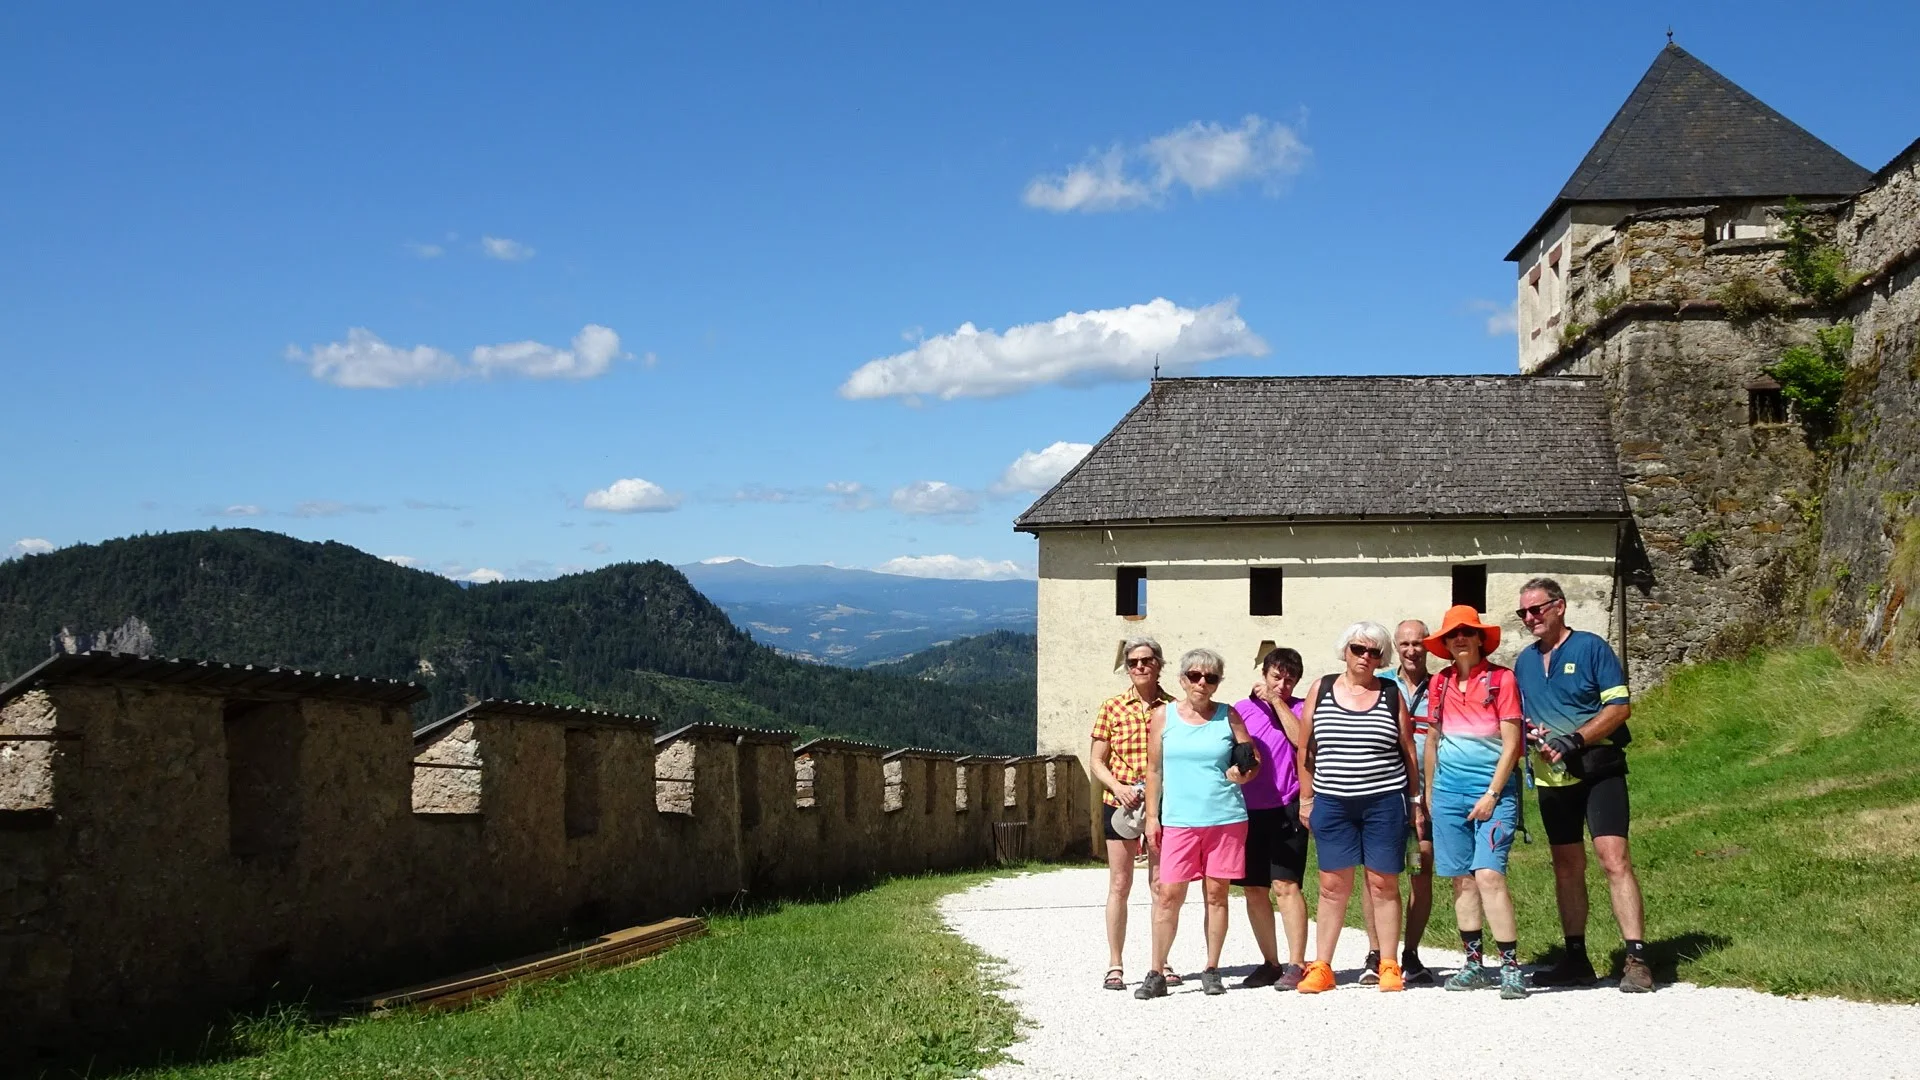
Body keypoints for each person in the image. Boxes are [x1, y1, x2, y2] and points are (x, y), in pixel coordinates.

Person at [1513, 577, 1654, 993]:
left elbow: (1620, 707)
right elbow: (1523, 715)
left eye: (1536, 609)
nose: (1529, 618)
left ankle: (1637, 959)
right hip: (1552, 777)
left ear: (1559, 606)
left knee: (1614, 860)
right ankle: (1576, 958)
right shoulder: (1524, 662)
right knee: (1566, 866)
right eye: (1523, 613)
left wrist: (1575, 738)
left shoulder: (1591, 647)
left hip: (1598, 770)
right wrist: (1532, 733)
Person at [1295, 622, 1427, 994]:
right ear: (1345, 651)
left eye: (1374, 652)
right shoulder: (1321, 689)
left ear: (1382, 657)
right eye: (1358, 649)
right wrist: (1306, 799)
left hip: (1384, 802)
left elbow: (1408, 752)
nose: (1365, 657)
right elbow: (1305, 748)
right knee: (1332, 886)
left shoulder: (1390, 693)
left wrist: (1415, 802)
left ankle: (1389, 964)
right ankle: (1322, 966)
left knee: (1383, 883)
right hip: (1333, 802)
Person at [1421, 605, 1528, 1000]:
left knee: (1488, 876)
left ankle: (1511, 968)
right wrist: (1429, 792)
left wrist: (1492, 794)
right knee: (1461, 880)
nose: (1460, 639)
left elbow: (1513, 744)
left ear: (1481, 638)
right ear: (1446, 644)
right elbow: (1432, 740)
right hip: (1448, 794)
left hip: (1493, 794)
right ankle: (1473, 965)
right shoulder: (1440, 683)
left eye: (1467, 632)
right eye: (1452, 635)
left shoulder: (1502, 680)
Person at [1137, 648, 1256, 999]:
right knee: (1168, 895)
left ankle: (1212, 968)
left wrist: (1243, 774)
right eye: (1195, 676)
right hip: (1179, 820)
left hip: (1225, 817)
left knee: (1216, 896)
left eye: (1210, 677)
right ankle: (1156, 971)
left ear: (1218, 682)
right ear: (1182, 679)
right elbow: (1154, 770)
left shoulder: (1228, 715)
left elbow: (1251, 760)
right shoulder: (1164, 716)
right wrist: (1152, 817)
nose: (1202, 683)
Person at [1090, 636, 1172, 991]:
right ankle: (1115, 963)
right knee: (1120, 884)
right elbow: (1097, 760)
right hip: (1119, 804)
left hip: (1162, 805)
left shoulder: (1173, 708)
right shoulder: (1112, 707)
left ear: (1159, 664)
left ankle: (1160, 962)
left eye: (1146, 660)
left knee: (1161, 885)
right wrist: (1117, 786)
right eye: (1133, 662)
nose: (1140, 666)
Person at [1360, 619, 1436, 985]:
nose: (1411, 650)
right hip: (1384, 792)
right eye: (1404, 644)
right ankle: (1376, 953)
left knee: (1421, 872)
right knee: (1375, 876)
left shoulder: (1440, 685)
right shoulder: (1382, 684)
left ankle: (1411, 954)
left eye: (1418, 643)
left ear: (1428, 646)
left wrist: (1425, 797)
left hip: (1427, 796)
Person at [1230, 647, 1311, 991]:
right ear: (1263, 674)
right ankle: (1270, 962)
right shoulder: (1240, 710)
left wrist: (1278, 702)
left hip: (1286, 806)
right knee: (1254, 889)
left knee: (1286, 886)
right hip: (1247, 809)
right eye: (1276, 677)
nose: (1282, 685)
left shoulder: (1301, 708)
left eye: (1289, 680)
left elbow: (1301, 740)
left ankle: (1297, 963)